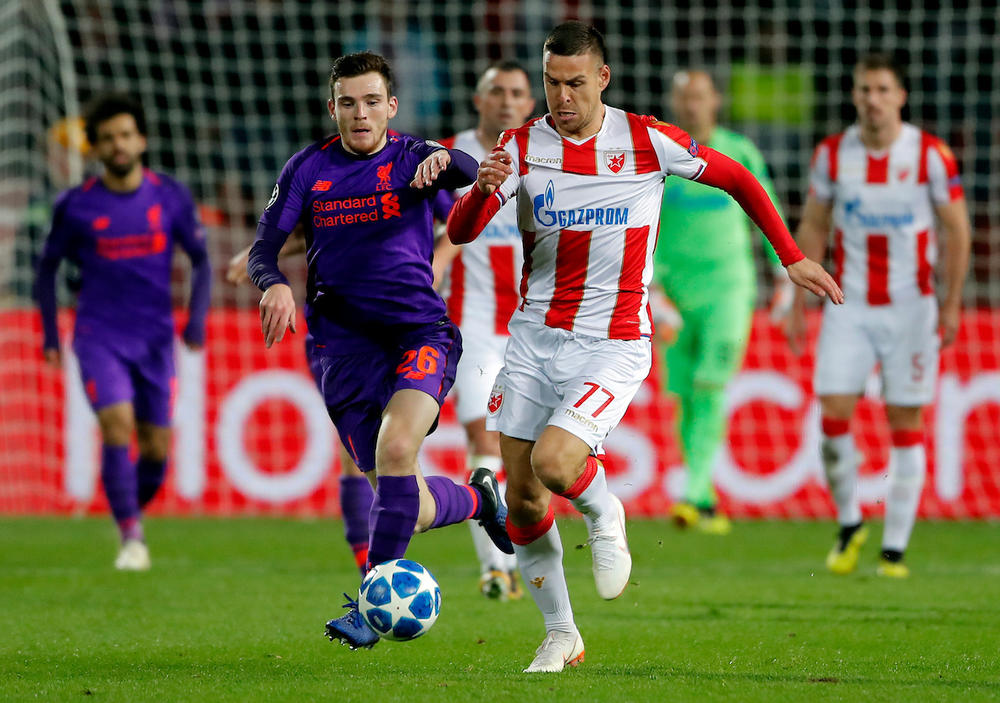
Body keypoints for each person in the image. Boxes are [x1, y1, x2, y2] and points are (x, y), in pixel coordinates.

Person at [447, 21, 842, 673]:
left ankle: (604, 509)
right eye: (552, 83)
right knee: (522, 498)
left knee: (555, 462)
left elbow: (740, 179)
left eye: (575, 83)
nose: (562, 97)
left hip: (613, 340)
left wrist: (790, 255)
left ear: (602, 78)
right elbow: (462, 232)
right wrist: (484, 189)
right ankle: (561, 634)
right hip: (533, 339)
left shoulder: (647, 140)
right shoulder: (520, 146)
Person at [246, 51, 512, 650]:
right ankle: (478, 498)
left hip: (418, 334)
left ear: (391, 106)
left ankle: (370, 606)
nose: (360, 114)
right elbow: (263, 249)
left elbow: (467, 173)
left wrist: (449, 159)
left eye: (372, 102)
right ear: (333, 108)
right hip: (342, 351)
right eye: (348, 103)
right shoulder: (307, 169)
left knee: (396, 449)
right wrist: (273, 284)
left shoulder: (414, 157)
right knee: (406, 503)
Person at [783, 53, 970, 578]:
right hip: (850, 305)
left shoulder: (930, 154)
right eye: (865, 89)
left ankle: (894, 551)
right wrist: (797, 300)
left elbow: (957, 229)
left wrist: (951, 302)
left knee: (905, 422)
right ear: (854, 96)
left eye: (883, 89)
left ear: (900, 97)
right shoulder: (832, 154)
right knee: (832, 414)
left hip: (913, 309)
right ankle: (850, 522)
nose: (873, 99)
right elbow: (814, 225)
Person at [36, 93, 212, 570]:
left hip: (155, 339)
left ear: (142, 140)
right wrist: (50, 335)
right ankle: (132, 536)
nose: (118, 145)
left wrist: (196, 320)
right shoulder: (75, 205)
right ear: (94, 147)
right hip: (99, 336)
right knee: (116, 424)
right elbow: (46, 269)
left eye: (126, 135)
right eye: (108, 138)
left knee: (156, 450)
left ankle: (127, 512)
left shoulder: (169, 196)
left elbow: (201, 261)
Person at [652, 70, 793, 535]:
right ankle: (706, 500)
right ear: (675, 103)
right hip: (672, 293)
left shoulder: (739, 151)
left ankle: (691, 491)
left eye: (699, 97)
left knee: (710, 384)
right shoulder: (659, 155)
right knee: (685, 395)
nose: (691, 105)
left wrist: (784, 274)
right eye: (684, 98)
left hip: (728, 288)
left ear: (715, 100)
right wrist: (650, 289)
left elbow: (766, 210)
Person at [433, 60, 536, 600]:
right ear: (479, 100)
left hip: (535, 328)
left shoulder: (544, 156)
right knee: (484, 438)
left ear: (530, 103)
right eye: (496, 91)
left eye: (517, 92)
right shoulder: (445, 159)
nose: (507, 100)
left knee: (529, 454)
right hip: (471, 326)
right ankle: (496, 566)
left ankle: (521, 557)